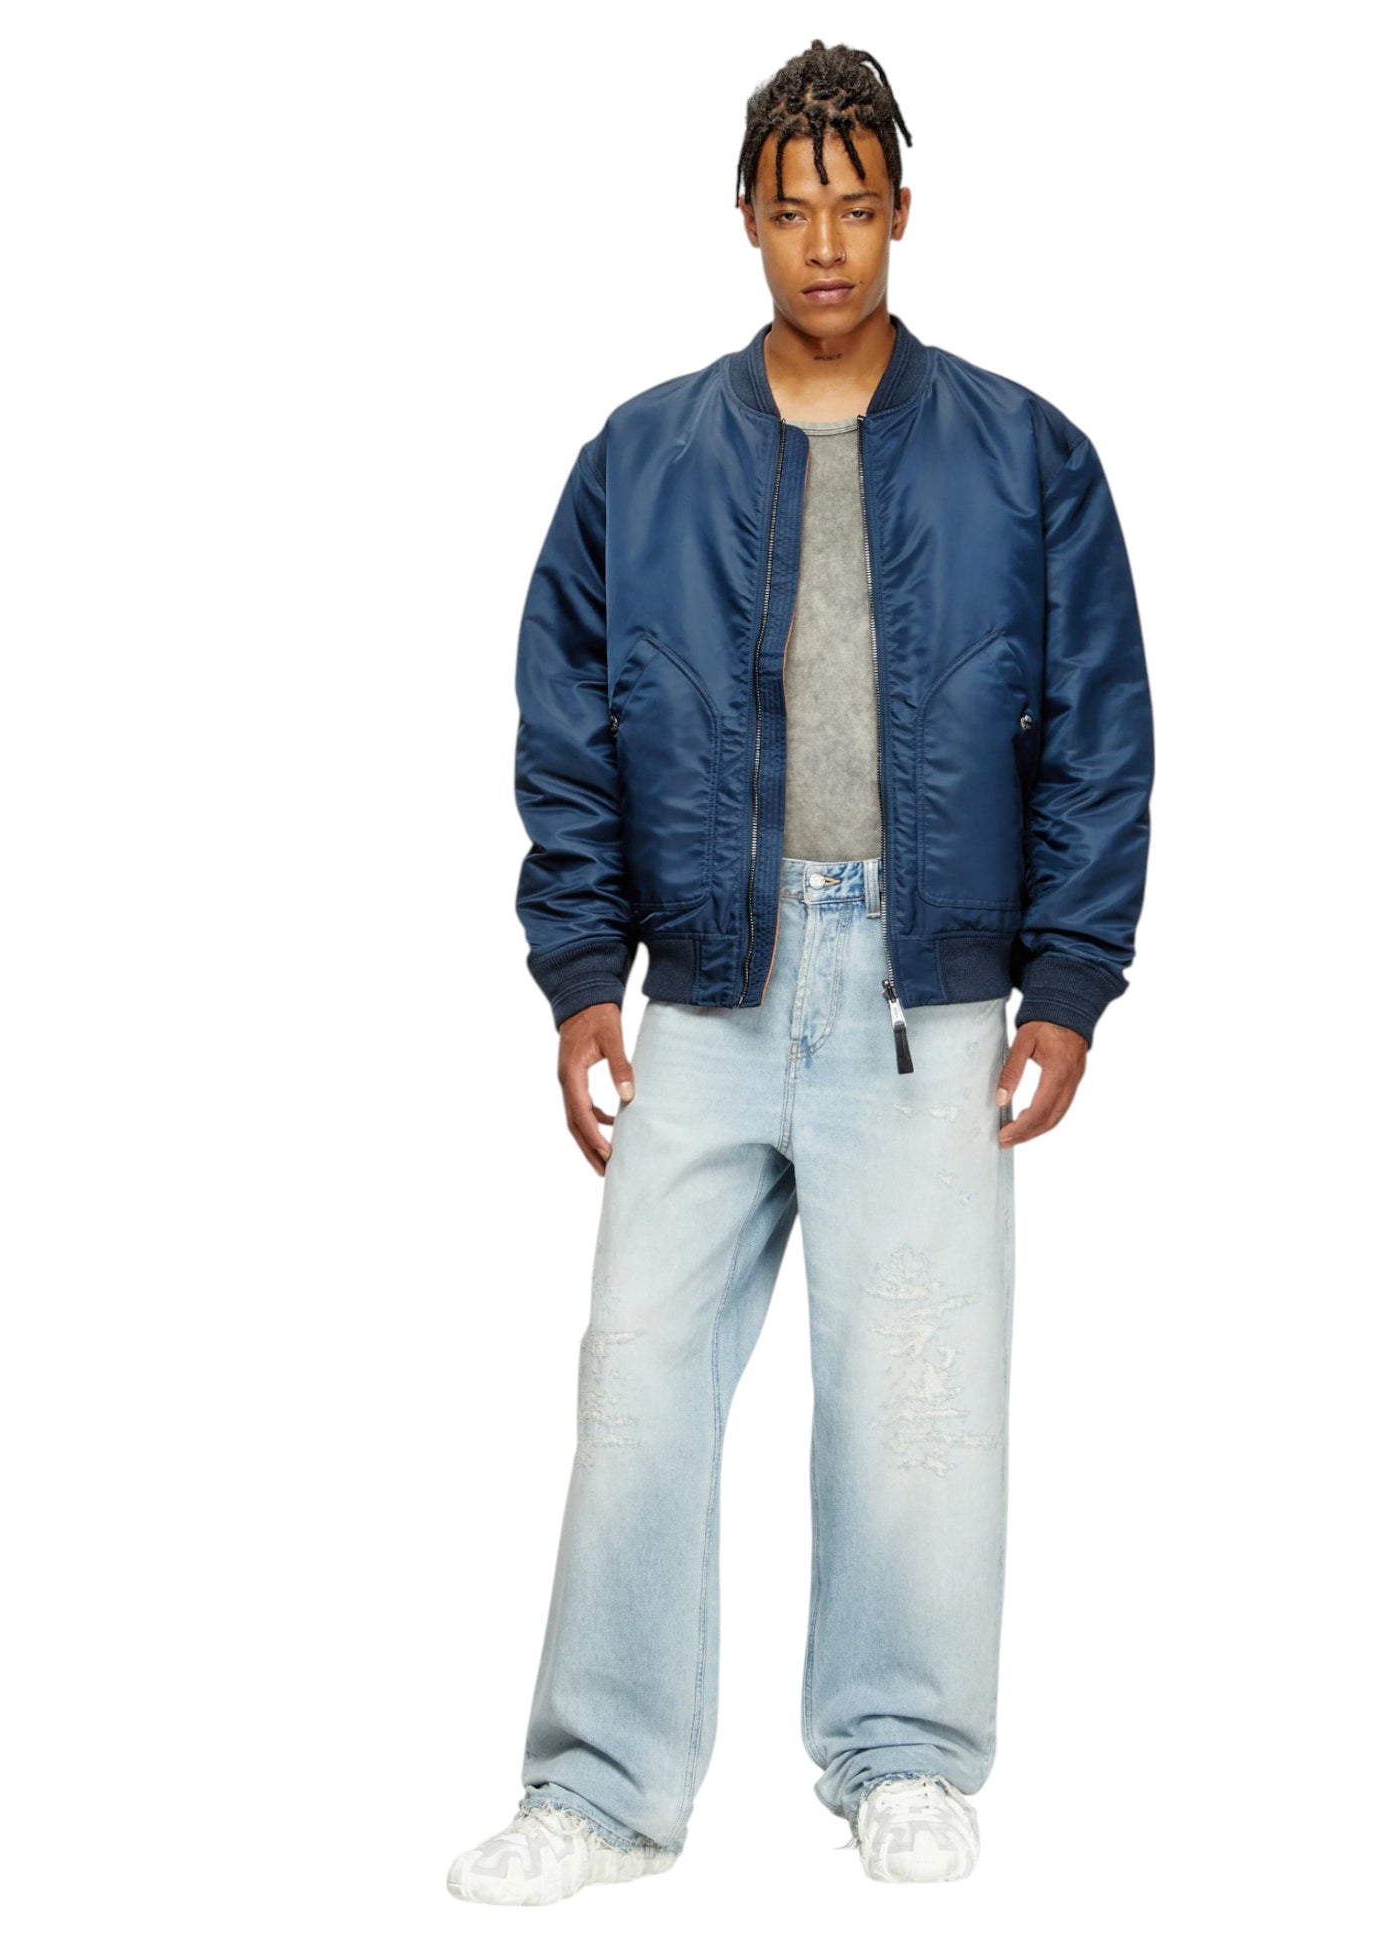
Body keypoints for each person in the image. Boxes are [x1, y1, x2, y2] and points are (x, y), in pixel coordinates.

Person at [448, 37, 1154, 1904]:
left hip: (930, 988)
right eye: (791, 208)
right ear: (745, 220)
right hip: (705, 981)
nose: (825, 241)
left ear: (901, 209)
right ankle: (597, 1789)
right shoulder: (640, 457)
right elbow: (566, 731)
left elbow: (1099, 733)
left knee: (915, 1391)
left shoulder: (1025, 453)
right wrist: (579, 975)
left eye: (855, 204)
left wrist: (1066, 983)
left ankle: (903, 1753)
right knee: (635, 1380)